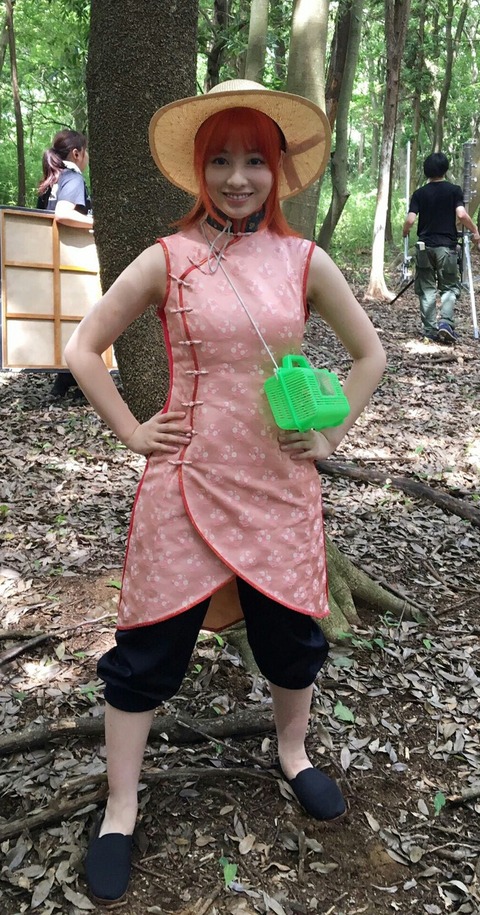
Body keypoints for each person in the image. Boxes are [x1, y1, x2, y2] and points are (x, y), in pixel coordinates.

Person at [64, 80, 386, 906]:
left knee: (291, 638)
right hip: (185, 481)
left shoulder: (304, 260)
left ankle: (293, 753)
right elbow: (83, 347)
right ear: (198, 170)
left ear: (277, 170)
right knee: (146, 651)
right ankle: (121, 806)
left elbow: (370, 355)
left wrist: (330, 437)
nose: (238, 177)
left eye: (254, 160)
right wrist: (133, 431)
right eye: (220, 161)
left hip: (280, 487)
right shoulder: (167, 258)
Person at [37, 130, 93, 396]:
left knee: (68, 316)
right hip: (73, 258)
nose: (87, 157)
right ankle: (81, 379)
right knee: (85, 316)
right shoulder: (73, 178)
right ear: (76, 153)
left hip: (52, 258)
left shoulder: (50, 181)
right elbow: (62, 214)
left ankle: (65, 378)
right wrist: (98, 223)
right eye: (86, 151)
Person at [402, 152, 480, 344]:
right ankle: (445, 323)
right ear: (445, 169)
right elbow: (461, 215)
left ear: (426, 171)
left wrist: (405, 231)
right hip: (446, 247)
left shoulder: (419, 193)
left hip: (424, 247)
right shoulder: (454, 191)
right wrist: (475, 230)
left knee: (426, 288)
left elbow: (410, 220)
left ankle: (429, 330)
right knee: (449, 287)